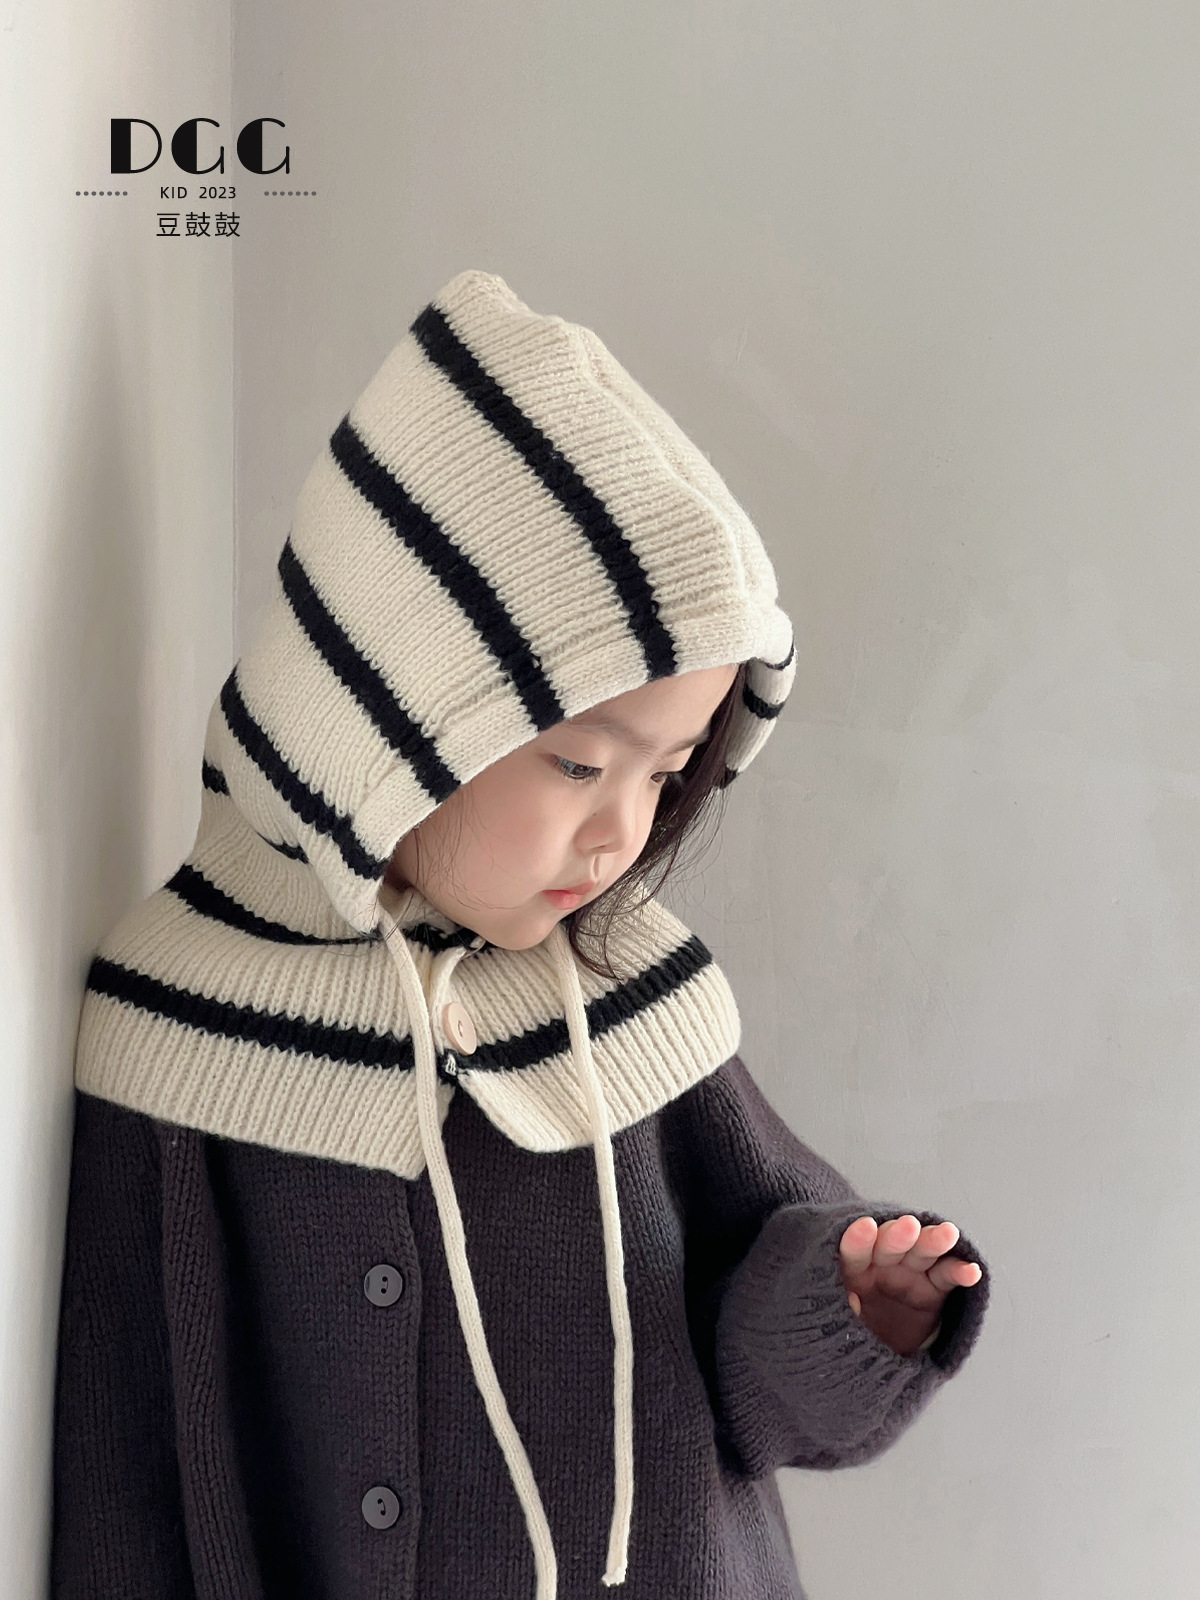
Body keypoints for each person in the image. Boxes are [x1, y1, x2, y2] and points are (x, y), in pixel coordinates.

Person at [51, 269, 987, 1600]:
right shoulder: (175, 1027)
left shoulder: (627, 991)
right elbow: (129, 1466)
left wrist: (852, 1314)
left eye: (669, 773)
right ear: (388, 715)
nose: (623, 834)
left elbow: (760, 1378)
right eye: (578, 765)